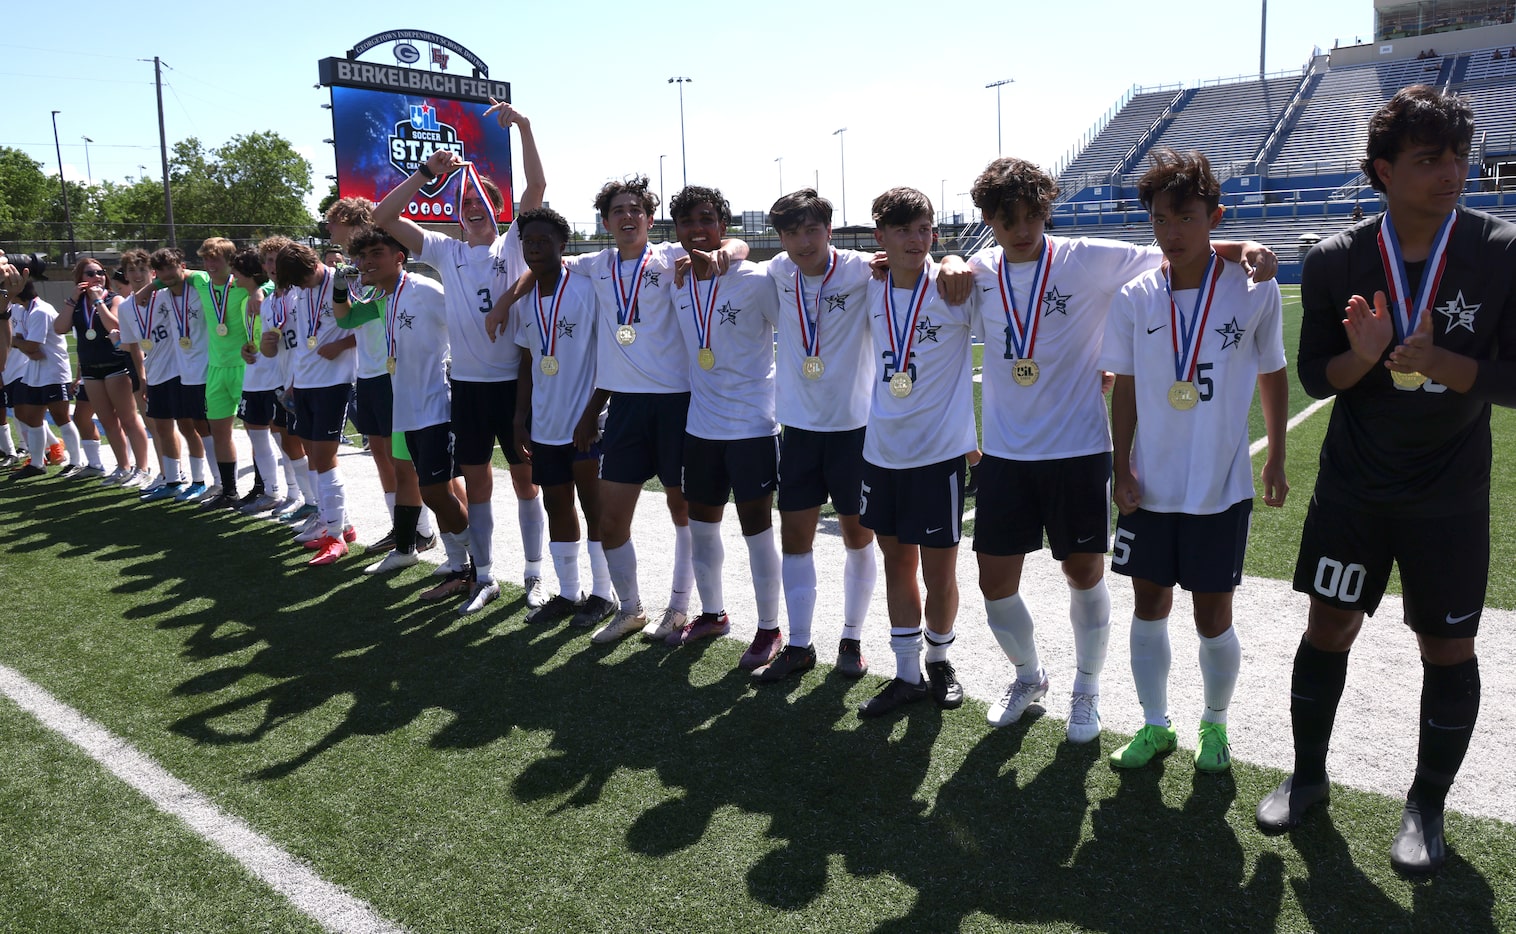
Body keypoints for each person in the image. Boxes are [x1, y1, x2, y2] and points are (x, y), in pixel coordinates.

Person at [1257, 85, 1516, 875]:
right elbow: (1316, 378)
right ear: (1383, 170)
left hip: (1450, 495)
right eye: (1428, 159)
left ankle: (1426, 804)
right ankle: (1306, 779)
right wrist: (1366, 355)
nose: (1451, 173)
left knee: (1447, 646)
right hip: (1355, 491)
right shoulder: (1339, 259)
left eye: (1457, 157)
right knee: (1328, 628)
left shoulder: (1500, 250)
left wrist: (1436, 361)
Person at [966, 157, 1278, 743]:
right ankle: (1029, 676)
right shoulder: (977, 270)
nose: (1024, 229)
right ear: (989, 221)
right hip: (1006, 454)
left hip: (1080, 448)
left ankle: (1087, 688)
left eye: (1034, 216)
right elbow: (932, 275)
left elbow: (1179, 248)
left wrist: (1242, 247)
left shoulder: (1086, 256)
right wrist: (951, 261)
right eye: (1009, 221)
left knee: (1084, 573)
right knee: (993, 583)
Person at [1099, 147, 1288, 773]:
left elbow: (1273, 374)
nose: (1171, 231)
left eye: (1185, 216)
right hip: (1150, 489)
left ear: (1215, 216)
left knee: (1213, 614)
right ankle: (1155, 726)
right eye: (1159, 218)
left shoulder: (1251, 289)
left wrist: (1277, 458)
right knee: (1148, 605)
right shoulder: (1133, 297)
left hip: (1219, 488)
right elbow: (1123, 388)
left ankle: (1215, 726)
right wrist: (1120, 468)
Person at [753, 189, 972, 682]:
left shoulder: (860, 269)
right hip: (799, 430)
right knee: (796, 540)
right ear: (780, 238)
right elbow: (734, 253)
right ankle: (801, 643)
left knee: (861, 540)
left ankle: (852, 639)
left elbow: (916, 259)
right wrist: (732, 247)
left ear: (830, 230)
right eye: (791, 232)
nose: (803, 241)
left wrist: (949, 254)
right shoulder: (777, 273)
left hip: (857, 432)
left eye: (813, 229)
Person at [523, 176, 746, 646]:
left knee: (680, 509)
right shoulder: (594, 264)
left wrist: (732, 250)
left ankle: (679, 608)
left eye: (636, 210)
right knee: (610, 518)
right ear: (605, 222)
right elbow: (544, 264)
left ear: (649, 218)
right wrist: (505, 301)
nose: (627, 217)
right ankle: (630, 609)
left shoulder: (668, 257)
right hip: (624, 409)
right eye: (617, 210)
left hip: (677, 405)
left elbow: (735, 244)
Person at [373, 101, 548, 613]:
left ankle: (535, 575)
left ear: (496, 208)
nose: (471, 205)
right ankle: (486, 575)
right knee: (477, 481)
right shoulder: (443, 250)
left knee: (525, 480)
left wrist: (526, 130)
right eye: (464, 198)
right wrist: (426, 173)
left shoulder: (513, 243)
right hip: (467, 388)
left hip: (515, 384)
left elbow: (536, 189)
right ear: (454, 209)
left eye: (481, 199)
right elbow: (383, 217)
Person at [855, 188, 978, 718]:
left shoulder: (955, 288)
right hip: (882, 453)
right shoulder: (868, 285)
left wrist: (954, 258)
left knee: (939, 573)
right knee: (896, 565)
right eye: (901, 229)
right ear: (879, 236)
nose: (914, 238)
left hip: (939, 457)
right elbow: (812, 259)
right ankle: (905, 675)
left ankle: (939, 662)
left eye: (923, 228)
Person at [657, 185, 783, 669]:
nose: (697, 229)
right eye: (687, 221)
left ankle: (769, 628)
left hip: (752, 427)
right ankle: (713, 614)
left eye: (707, 219)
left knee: (757, 532)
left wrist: (732, 252)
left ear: (723, 227)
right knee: (703, 529)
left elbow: (789, 333)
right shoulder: (677, 279)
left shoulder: (753, 279)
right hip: (701, 428)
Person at [506, 208, 616, 627]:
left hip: (587, 423)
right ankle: (569, 593)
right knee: (557, 506)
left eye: (543, 240)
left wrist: (594, 410)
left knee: (595, 509)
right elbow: (527, 361)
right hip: (545, 424)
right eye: (528, 241)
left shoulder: (586, 289)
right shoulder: (526, 300)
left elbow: (610, 355)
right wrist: (519, 419)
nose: (534, 247)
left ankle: (603, 594)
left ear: (562, 245)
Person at [335, 227, 462, 586]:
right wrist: (340, 286)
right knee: (415, 480)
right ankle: (416, 549)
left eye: (376, 254)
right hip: (404, 403)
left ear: (399, 258)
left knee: (441, 487)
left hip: (435, 403)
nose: (366, 262)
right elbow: (344, 318)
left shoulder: (426, 290)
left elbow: (464, 326)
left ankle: (471, 563)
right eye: (362, 257)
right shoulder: (381, 297)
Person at [263, 243, 358, 566]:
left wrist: (342, 344)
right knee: (313, 458)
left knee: (325, 458)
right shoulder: (301, 291)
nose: (300, 287)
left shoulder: (343, 282)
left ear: (313, 263)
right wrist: (293, 382)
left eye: (302, 279)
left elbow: (371, 324)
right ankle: (339, 523)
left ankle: (335, 537)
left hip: (333, 383)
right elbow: (306, 339)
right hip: (302, 383)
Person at [60, 257, 150, 486]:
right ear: (80, 277)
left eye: (100, 272)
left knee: (129, 419)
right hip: (91, 369)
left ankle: (142, 467)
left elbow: (114, 326)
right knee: (108, 421)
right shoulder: (77, 303)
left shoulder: (114, 298)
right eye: (90, 273)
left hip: (116, 365)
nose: (97, 277)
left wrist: (99, 302)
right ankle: (123, 467)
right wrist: (72, 300)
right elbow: (59, 328)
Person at [134, 248, 212, 501]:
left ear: (182, 265)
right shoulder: (163, 297)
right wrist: (153, 286)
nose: (167, 274)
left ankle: (204, 481)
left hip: (206, 369)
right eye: (161, 270)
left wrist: (152, 284)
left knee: (200, 429)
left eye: (172, 267)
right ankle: (175, 480)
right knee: (179, 427)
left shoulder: (199, 285)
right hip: (180, 372)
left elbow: (200, 275)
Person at [186, 238, 250, 509]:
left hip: (246, 368)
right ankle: (230, 491)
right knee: (220, 431)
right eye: (206, 259)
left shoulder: (243, 286)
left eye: (215, 259)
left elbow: (268, 285)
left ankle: (267, 488)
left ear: (230, 261)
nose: (209, 264)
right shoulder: (201, 281)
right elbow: (176, 273)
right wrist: (148, 289)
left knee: (259, 430)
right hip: (215, 369)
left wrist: (258, 292)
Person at [6, 262, 82, 478]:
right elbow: (23, 343)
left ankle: (76, 461)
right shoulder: (23, 310)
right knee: (31, 416)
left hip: (53, 371)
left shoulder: (40, 311)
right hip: (36, 369)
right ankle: (37, 463)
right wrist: (23, 345)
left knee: (60, 416)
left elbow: (28, 345)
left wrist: (22, 344)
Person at [228, 247, 285, 514]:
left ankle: (297, 495)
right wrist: (245, 349)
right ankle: (271, 492)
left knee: (283, 437)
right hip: (253, 376)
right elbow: (251, 336)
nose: (234, 279)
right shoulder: (243, 301)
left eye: (237, 274)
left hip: (274, 376)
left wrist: (261, 291)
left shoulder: (272, 294)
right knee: (256, 434)